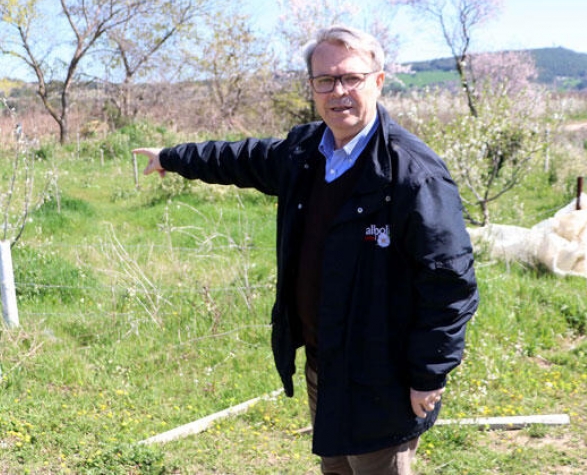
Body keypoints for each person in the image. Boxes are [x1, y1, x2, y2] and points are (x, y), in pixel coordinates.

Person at [132, 24, 478, 475]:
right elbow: (239, 159)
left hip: (382, 375)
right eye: (325, 80)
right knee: (335, 467)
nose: (339, 91)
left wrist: (429, 373)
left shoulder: (411, 173)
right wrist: (171, 157)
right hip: (325, 361)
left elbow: (450, 283)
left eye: (352, 78)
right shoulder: (304, 152)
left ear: (378, 81)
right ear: (312, 87)